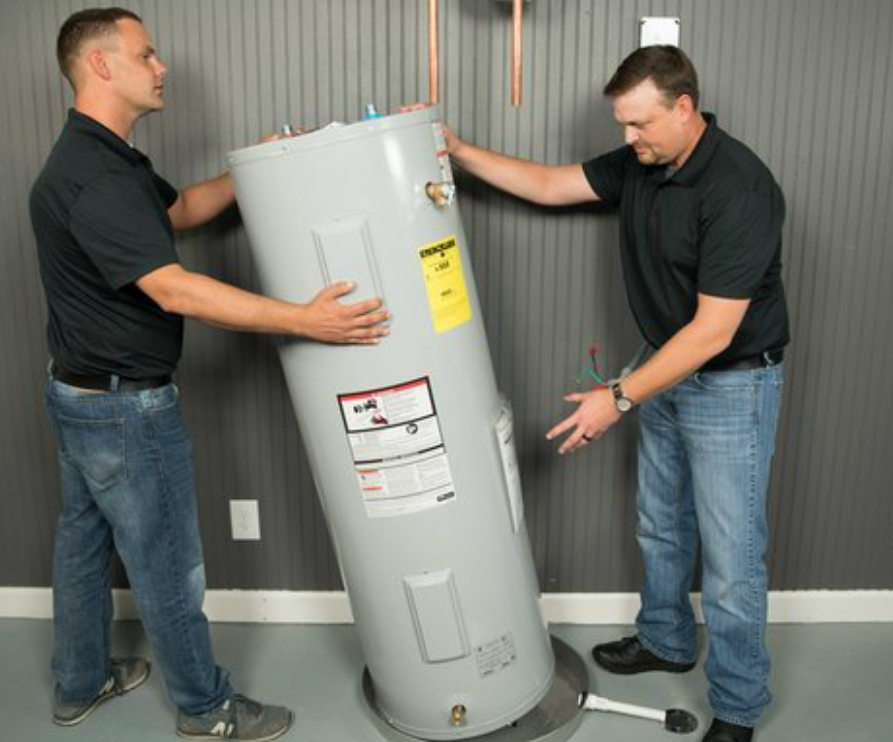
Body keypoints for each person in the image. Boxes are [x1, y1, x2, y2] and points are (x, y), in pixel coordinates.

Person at [30, 7, 389, 740]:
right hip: (126, 412)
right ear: (100, 65)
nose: (162, 68)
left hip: (80, 393)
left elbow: (183, 209)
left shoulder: (107, 159)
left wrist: (251, 168)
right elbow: (174, 288)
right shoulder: (94, 175)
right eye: (146, 54)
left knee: (83, 543)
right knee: (167, 570)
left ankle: (80, 680)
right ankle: (206, 708)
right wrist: (305, 319)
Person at [446, 45, 788, 742]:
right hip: (661, 365)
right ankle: (663, 638)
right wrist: (454, 151)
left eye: (639, 124)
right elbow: (546, 185)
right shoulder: (643, 164)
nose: (627, 140)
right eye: (622, 125)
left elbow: (713, 334)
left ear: (683, 107)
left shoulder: (739, 189)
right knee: (660, 523)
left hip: (730, 381)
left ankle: (738, 706)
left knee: (729, 561)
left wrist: (618, 397)